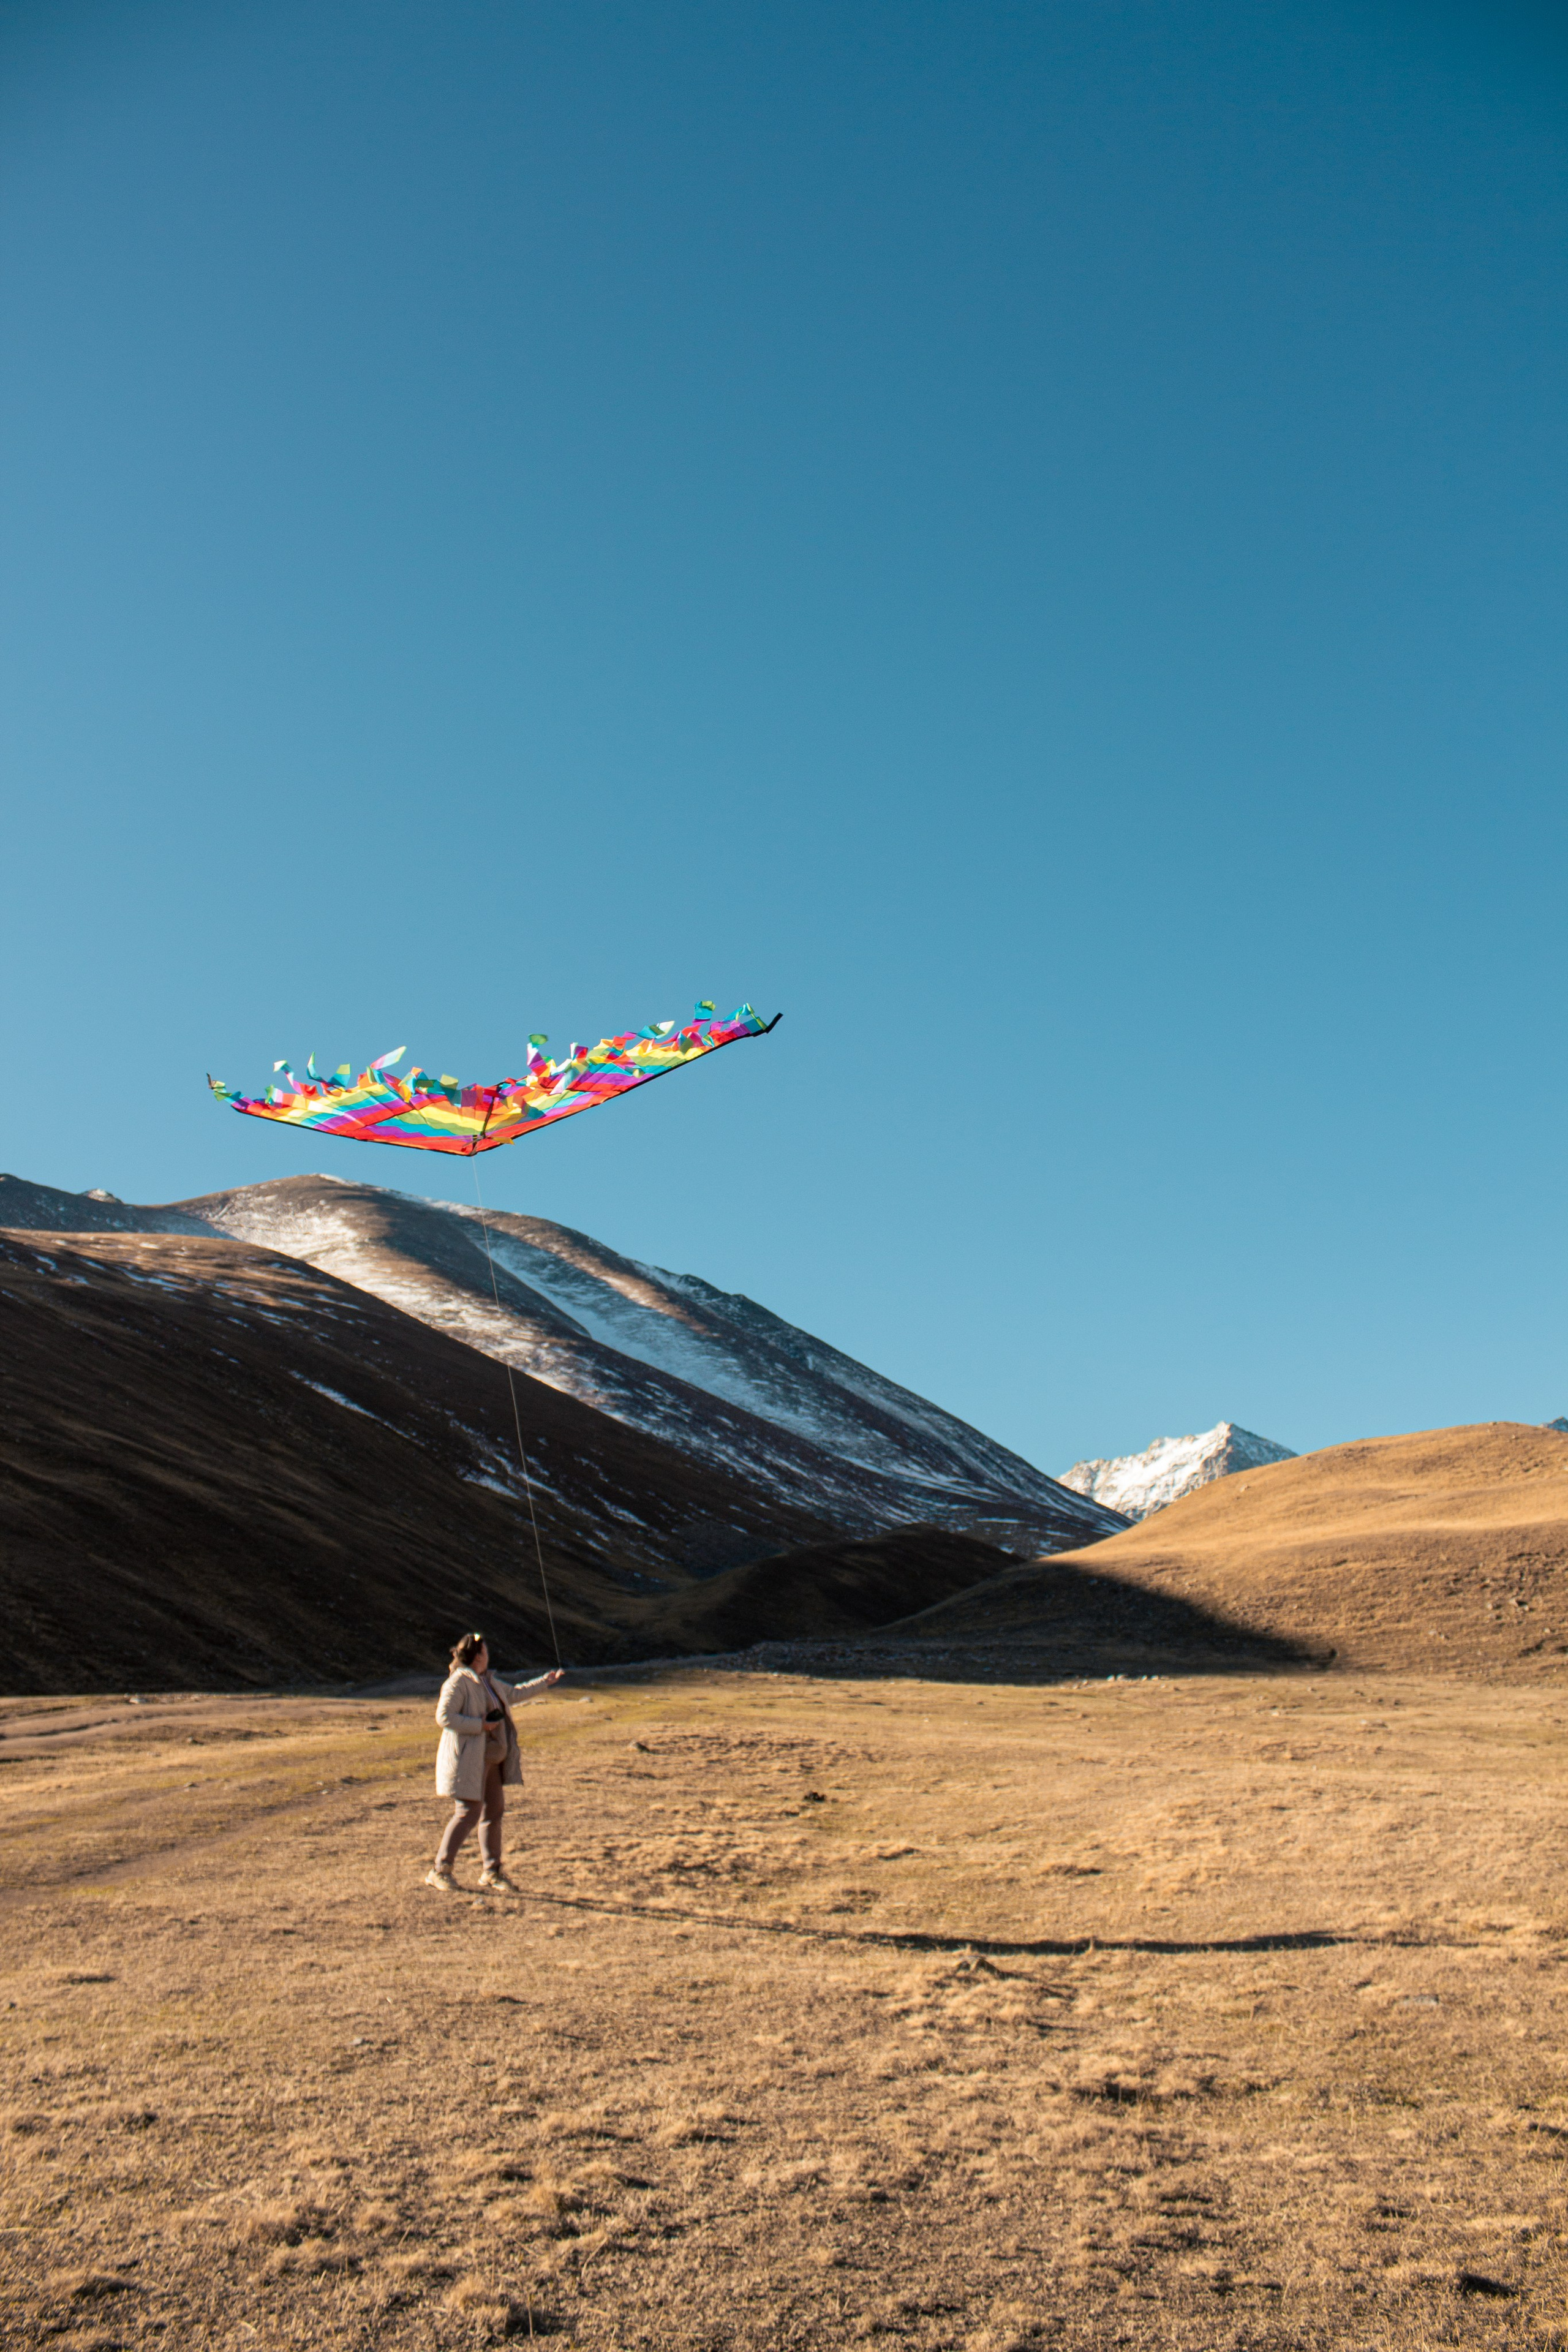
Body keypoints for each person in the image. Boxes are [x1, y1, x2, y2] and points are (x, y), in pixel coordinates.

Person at [424, 1633, 564, 1893]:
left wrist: (546, 1682)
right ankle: (439, 1870)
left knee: (494, 1812)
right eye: (486, 1651)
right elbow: (444, 1717)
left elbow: (515, 1693)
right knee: (468, 1812)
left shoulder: (488, 1681)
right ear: (478, 1656)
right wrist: (480, 1725)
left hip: (489, 1760)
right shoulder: (458, 1683)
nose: (489, 1655)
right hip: (469, 1760)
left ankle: (492, 1871)